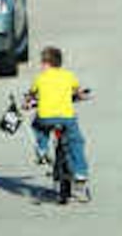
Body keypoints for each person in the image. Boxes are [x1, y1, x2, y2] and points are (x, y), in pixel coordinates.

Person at [29, 46, 91, 199]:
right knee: (76, 141)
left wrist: (27, 102)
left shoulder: (40, 78)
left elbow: (31, 95)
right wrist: (82, 96)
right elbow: (77, 92)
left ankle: (42, 150)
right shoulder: (69, 76)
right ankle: (80, 174)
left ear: (46, 63)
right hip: (66, 118)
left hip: (46, 118)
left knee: (37, 126)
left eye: (42, 63)